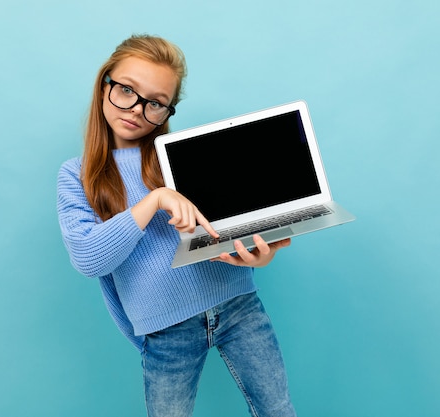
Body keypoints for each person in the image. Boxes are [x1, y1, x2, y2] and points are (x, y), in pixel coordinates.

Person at [56, 34, 297, 417]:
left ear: (167, 111)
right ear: (105, 84)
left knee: (279, 410)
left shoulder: (182, 157)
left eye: (155, 103)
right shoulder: (78, 175)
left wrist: (257, 257)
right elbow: (88, 258)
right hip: (166, 333)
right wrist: (155, 199)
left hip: (239, 306)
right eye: (126, 90)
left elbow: (222, 232)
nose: (137, 109)